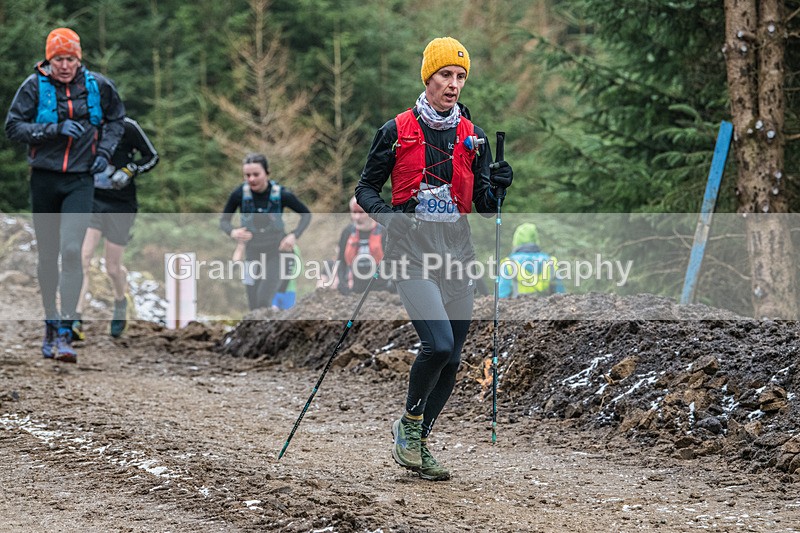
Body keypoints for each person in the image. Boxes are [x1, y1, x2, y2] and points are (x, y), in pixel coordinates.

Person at [355, 37, 513, 481]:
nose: (454, 84)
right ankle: (408, 424)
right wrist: (390, 219)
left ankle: (418, 441)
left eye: (461, 77)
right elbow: (365, 189)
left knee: (455, 358)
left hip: (457, 254)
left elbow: (484, 205)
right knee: (438, 344)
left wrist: (500, 184)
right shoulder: (396, 129)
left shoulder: (473, 136)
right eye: (446, 75)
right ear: (428, 77)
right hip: (410, 254)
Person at [5, 27, 125, 363]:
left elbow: (117, 119)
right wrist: (52, 130)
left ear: (78, 58)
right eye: (59, 58)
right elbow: (13, 127)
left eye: (70, 58)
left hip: (80, 180)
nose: (65, 65)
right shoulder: (34, 86)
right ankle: (49, 321)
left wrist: (105, 154)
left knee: (72, 251)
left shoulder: (98, 86)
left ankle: (66, 330)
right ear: (49, 59)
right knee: (48, 256)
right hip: (44, 179)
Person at [75, 116, 159, 339]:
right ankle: (75, 318)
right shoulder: (83, 125)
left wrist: (131, 170)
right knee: (83, 258)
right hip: (92, 200)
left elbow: (152, 157)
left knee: (112, 267)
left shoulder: (128, 127)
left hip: (121, 204)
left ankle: (121, 301)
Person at [220, 153, 312, 311]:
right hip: (252, 252)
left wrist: (294, 235)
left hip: (278, 252)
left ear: (267, 173)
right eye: (247, 175)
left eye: (256, 174)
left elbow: (306, 214)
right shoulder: (239, 194)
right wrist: (233, 232)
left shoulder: (281, 194)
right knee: (253, 304)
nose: (251, 179)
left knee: (263, 299)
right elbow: (224, 221)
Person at [336, 196, 389, 295]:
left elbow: (395, 264)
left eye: (361, 212)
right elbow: (341, 261)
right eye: (354, 212)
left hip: (381, 291)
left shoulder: (384, 232)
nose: (357, 217)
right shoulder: (347, 232)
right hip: (353, 290)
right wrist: (343, 285)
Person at [499, 222, 565, 298]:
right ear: (536, 240)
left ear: (516, 241)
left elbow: (501, 297)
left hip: (517, 309)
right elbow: (560, 296)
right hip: (545, 309)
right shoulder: (551, 263)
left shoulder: (508, 264)